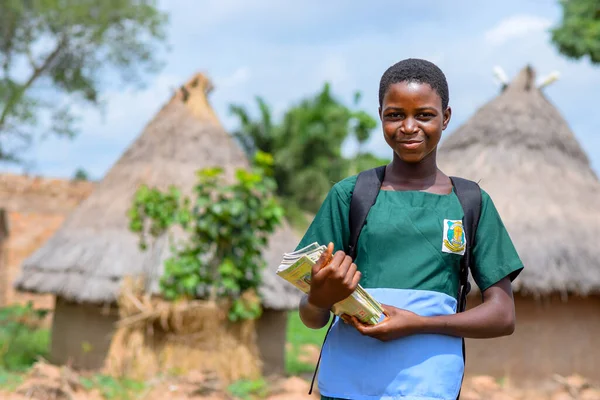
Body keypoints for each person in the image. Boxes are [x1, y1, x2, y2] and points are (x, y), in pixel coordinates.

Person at [296, 58, 524, 400]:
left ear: (445, 117)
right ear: (381, 116)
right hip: (347, 385)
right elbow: (311, 318)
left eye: (424, 115)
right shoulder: (351, 196)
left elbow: (503, 316)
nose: (408, 126)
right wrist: (318, 298)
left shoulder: (469, 202)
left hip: (428, 387)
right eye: (395, 114)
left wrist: (418, 323)